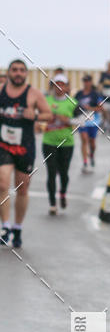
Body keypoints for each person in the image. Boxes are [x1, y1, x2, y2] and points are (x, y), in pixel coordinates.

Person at [0, 58, 52, 248]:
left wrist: (36, 116)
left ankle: (17, 227)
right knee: (2, 183)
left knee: (22, 188)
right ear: (9, 73)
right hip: (3, 145)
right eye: (15, 70)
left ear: (26, 74)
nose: (18, 73)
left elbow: (48, 114)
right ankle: (5, 226)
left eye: (22, 70)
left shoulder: (33, 94)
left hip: (24, 146)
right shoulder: (1, 91)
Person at [42, 73, 78, 214]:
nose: (59, 87)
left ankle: (62, 193)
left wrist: (67, 120)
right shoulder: (46, 101)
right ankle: (52, 203)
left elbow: (82, 120)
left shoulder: (72, 102)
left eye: (62, 84)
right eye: (56, 84)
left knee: (63, 173)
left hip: (67, 143)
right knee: (51, 173)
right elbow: (39, 115)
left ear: (67, 87)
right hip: (49, 141)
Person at [75, 74, 102, 172]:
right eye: (84, 81)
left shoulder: (96, 94)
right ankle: (85, 162)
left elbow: (100, 108)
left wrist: (89, 108)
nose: (86, 83)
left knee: (92, 143)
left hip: (93, 121)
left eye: (88, 81)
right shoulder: (79, 94)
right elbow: (74, 107)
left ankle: (91, 155)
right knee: (84, 140)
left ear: (91, 82)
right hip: (82, 121)